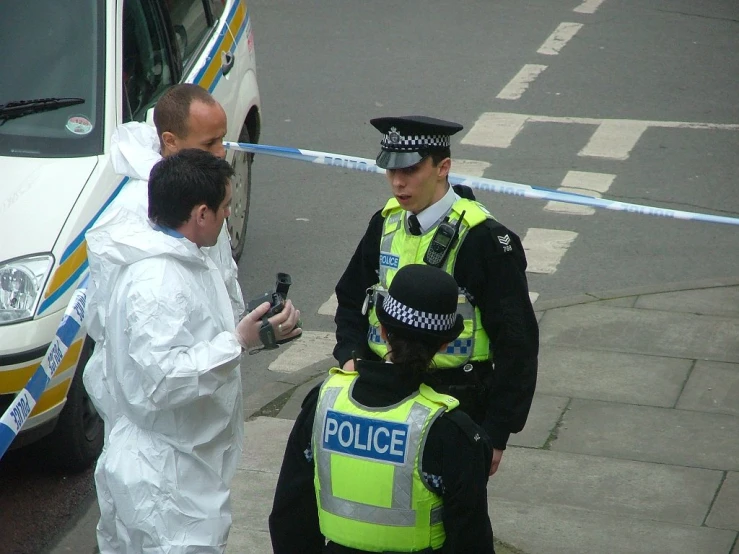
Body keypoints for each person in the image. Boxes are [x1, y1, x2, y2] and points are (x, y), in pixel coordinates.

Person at [85, 149, 301, 553]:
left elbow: (197, 345)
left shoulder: (182, 264)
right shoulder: (158, 283)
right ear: (201, 214)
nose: (228, 216)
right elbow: (165, 380)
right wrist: (238, 341)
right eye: (224, 207)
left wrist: (254, 335)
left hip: (180, 468)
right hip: (166, 482)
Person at [333, 115, 539, 476]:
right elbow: (351, 298)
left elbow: (517, 343)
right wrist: (350, 358)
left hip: (455, 404)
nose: (398, 182)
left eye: (410, 170)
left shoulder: (483, 241)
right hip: (383, 393)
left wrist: (496, 431)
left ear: (443, 167)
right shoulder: (385, 221)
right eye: (390, 170)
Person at [270, 264, 495, 554]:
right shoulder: (451, 431)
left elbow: (290, 519)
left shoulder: (324, 405)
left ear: (382, 330)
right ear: (445, 344)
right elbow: (470, 541)